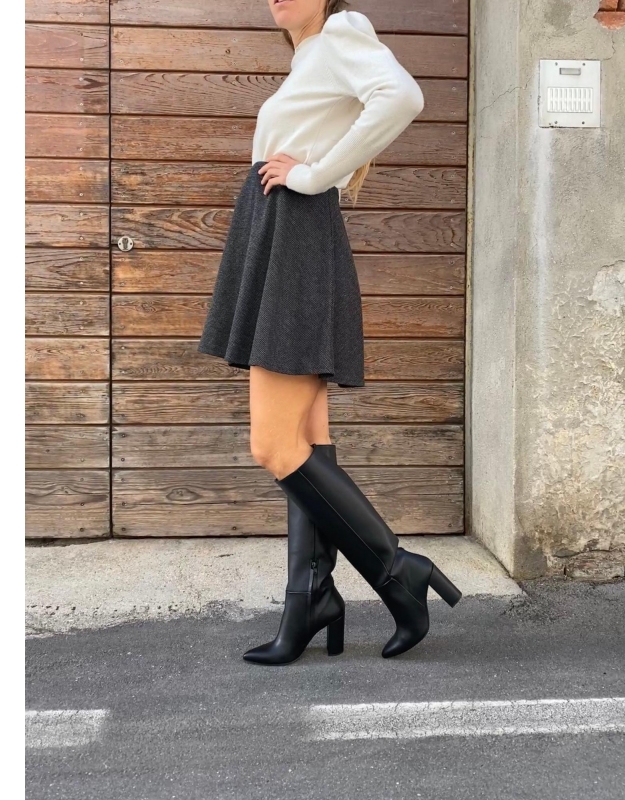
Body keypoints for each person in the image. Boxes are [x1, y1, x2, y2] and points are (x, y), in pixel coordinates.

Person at [198, 0, 461, 665]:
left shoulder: (341, 33)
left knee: (272, 444)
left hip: (294, 233)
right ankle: (310, 596)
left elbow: (402, 96)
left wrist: (314, 174)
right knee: (306, 437)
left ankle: (397, 570)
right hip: (282, 231)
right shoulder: (312, 55)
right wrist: (314, 172)